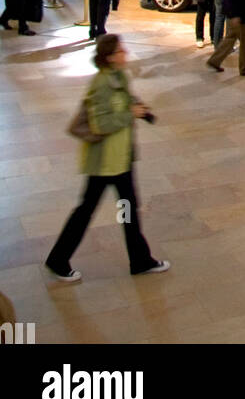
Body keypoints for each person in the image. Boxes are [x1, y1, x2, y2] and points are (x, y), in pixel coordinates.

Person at [45, 34, 169, 282]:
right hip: (104, 162)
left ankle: (140, 260)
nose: (125, 54)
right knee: (88, 209)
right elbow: (100, 124)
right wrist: (129, 113)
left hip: (120, 159)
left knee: (128, 209)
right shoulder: (101, 84)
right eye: (121, 51)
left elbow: (126, 99)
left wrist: (140, 109)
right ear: (109, 57)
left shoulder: (119, 76)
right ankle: (58, 259)